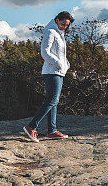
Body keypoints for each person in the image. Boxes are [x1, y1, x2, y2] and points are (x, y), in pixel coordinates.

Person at [23, 11, 74, 142]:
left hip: (58, 71)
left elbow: (60, 54)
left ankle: (52, 131)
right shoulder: (51, 32)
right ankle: (31, 127)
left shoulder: (59, 33)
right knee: (51, 100)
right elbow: (44, 52)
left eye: (66, 25)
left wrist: (66, 64)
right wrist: (58, 63)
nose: (64, 27)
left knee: (54, 102)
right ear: (57, 20)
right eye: (63, 24)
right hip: (51, 72)